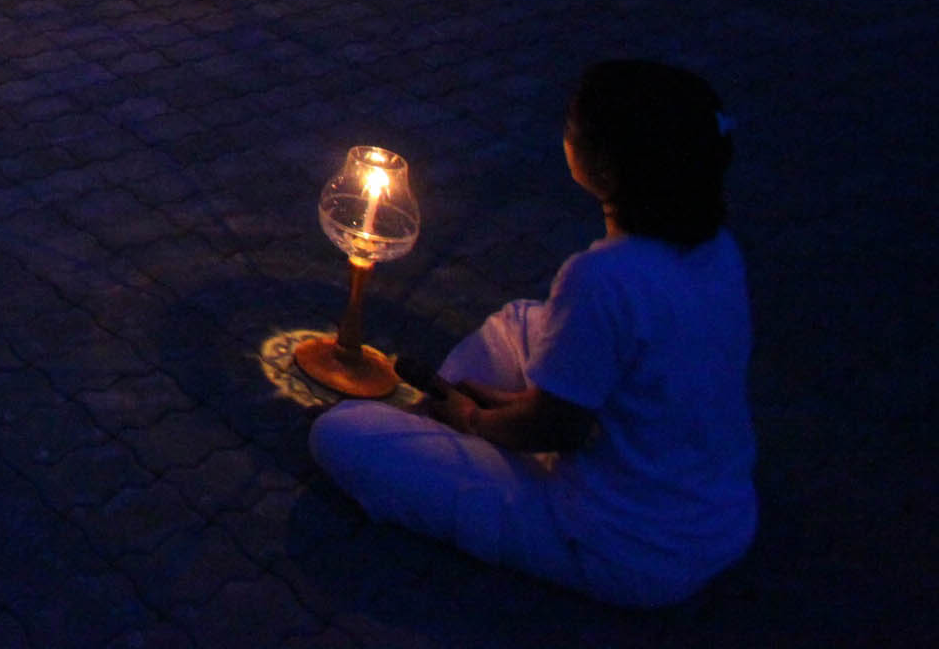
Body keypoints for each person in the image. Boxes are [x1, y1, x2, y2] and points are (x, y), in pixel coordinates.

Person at [310, 61, 755, 609]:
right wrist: (520, 404)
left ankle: (439, 429)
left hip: (624, 546)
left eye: (573, 123)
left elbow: (558, 428)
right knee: (525, 320)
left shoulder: (603, 279)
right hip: (721, 520)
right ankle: (439, 415)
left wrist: (477, 419)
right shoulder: (716, 251)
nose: (563, 130)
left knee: (340, 434)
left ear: (606, 167)